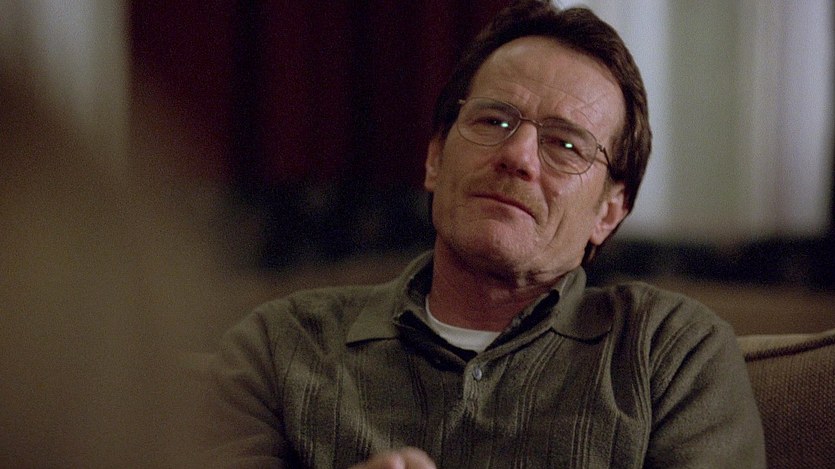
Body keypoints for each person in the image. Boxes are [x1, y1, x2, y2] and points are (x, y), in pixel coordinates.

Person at [203, 1, 766, 467]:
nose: (517, 155)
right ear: (435, 158)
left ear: (609, 211)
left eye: (565, 144)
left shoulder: (670, 353)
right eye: (493, 120)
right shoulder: (278, 347)